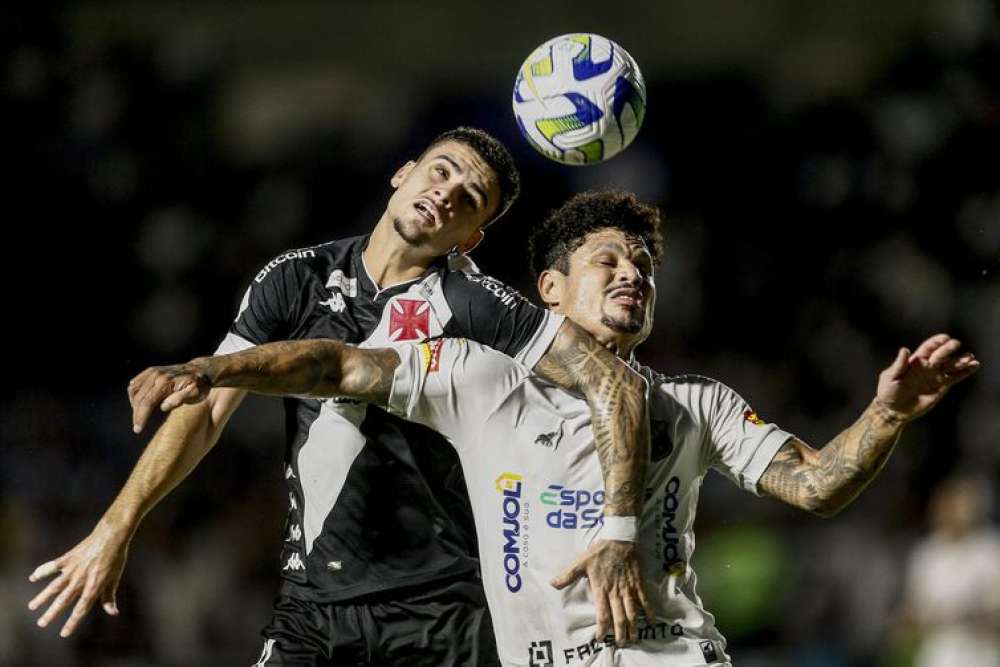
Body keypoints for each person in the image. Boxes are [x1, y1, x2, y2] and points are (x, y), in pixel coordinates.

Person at [123, 190, 980, 665]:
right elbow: (337, 365)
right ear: (549, 292)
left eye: (643, 265)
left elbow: (817, 482)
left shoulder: (699, 401)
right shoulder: (475, 377)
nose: (633, 273)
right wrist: (211, 368)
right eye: (608, 259)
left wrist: (888, 412)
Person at [27, 130, 652, 665]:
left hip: (443, 614)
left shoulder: (475, 305)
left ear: (472, 237)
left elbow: (614, 383)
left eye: (470, 198)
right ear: (402, 174)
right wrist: (116, 526)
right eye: (440, 171)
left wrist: (619, 529)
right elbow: (205, 408)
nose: (446, 192)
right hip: (314, 607)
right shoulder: (294, 277)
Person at [894, 474, 1000, 667]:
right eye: (948, 506)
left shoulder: (991, 549)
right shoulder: (927, 554)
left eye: (960, 506)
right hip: (938, 656)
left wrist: (965, 615)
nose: (954, 513)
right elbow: (911, 613)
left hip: (982, 656)